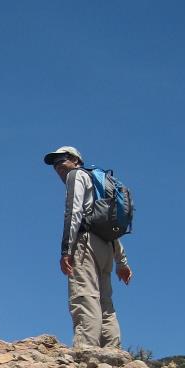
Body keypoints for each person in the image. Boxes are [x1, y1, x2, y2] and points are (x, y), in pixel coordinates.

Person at [43, 146, 133, 348]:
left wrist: (66, 251)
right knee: (105, 303)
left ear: (76, 160)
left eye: (62, 160)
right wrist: (122, 262)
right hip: (106, 248)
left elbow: (73, 212)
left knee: (85, 296)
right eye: (54, 164)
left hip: (85, 244)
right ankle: (112, 353)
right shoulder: (98, 182)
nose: (57, 166)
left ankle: (87, 352)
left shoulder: (76, 175)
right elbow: (107, 226)